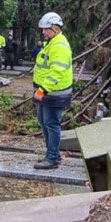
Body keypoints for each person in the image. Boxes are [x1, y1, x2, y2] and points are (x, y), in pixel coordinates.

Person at [32, 11, 73, 170]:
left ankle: (53, 158)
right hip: (47, 92)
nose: (43, 32)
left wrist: (42, 90)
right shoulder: (52, 42)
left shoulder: (60, 46)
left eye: (45, 29)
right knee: (44, 121)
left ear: (55, 29)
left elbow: (57, 71)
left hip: (54, 93)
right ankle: (51, 154)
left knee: (51, 123)